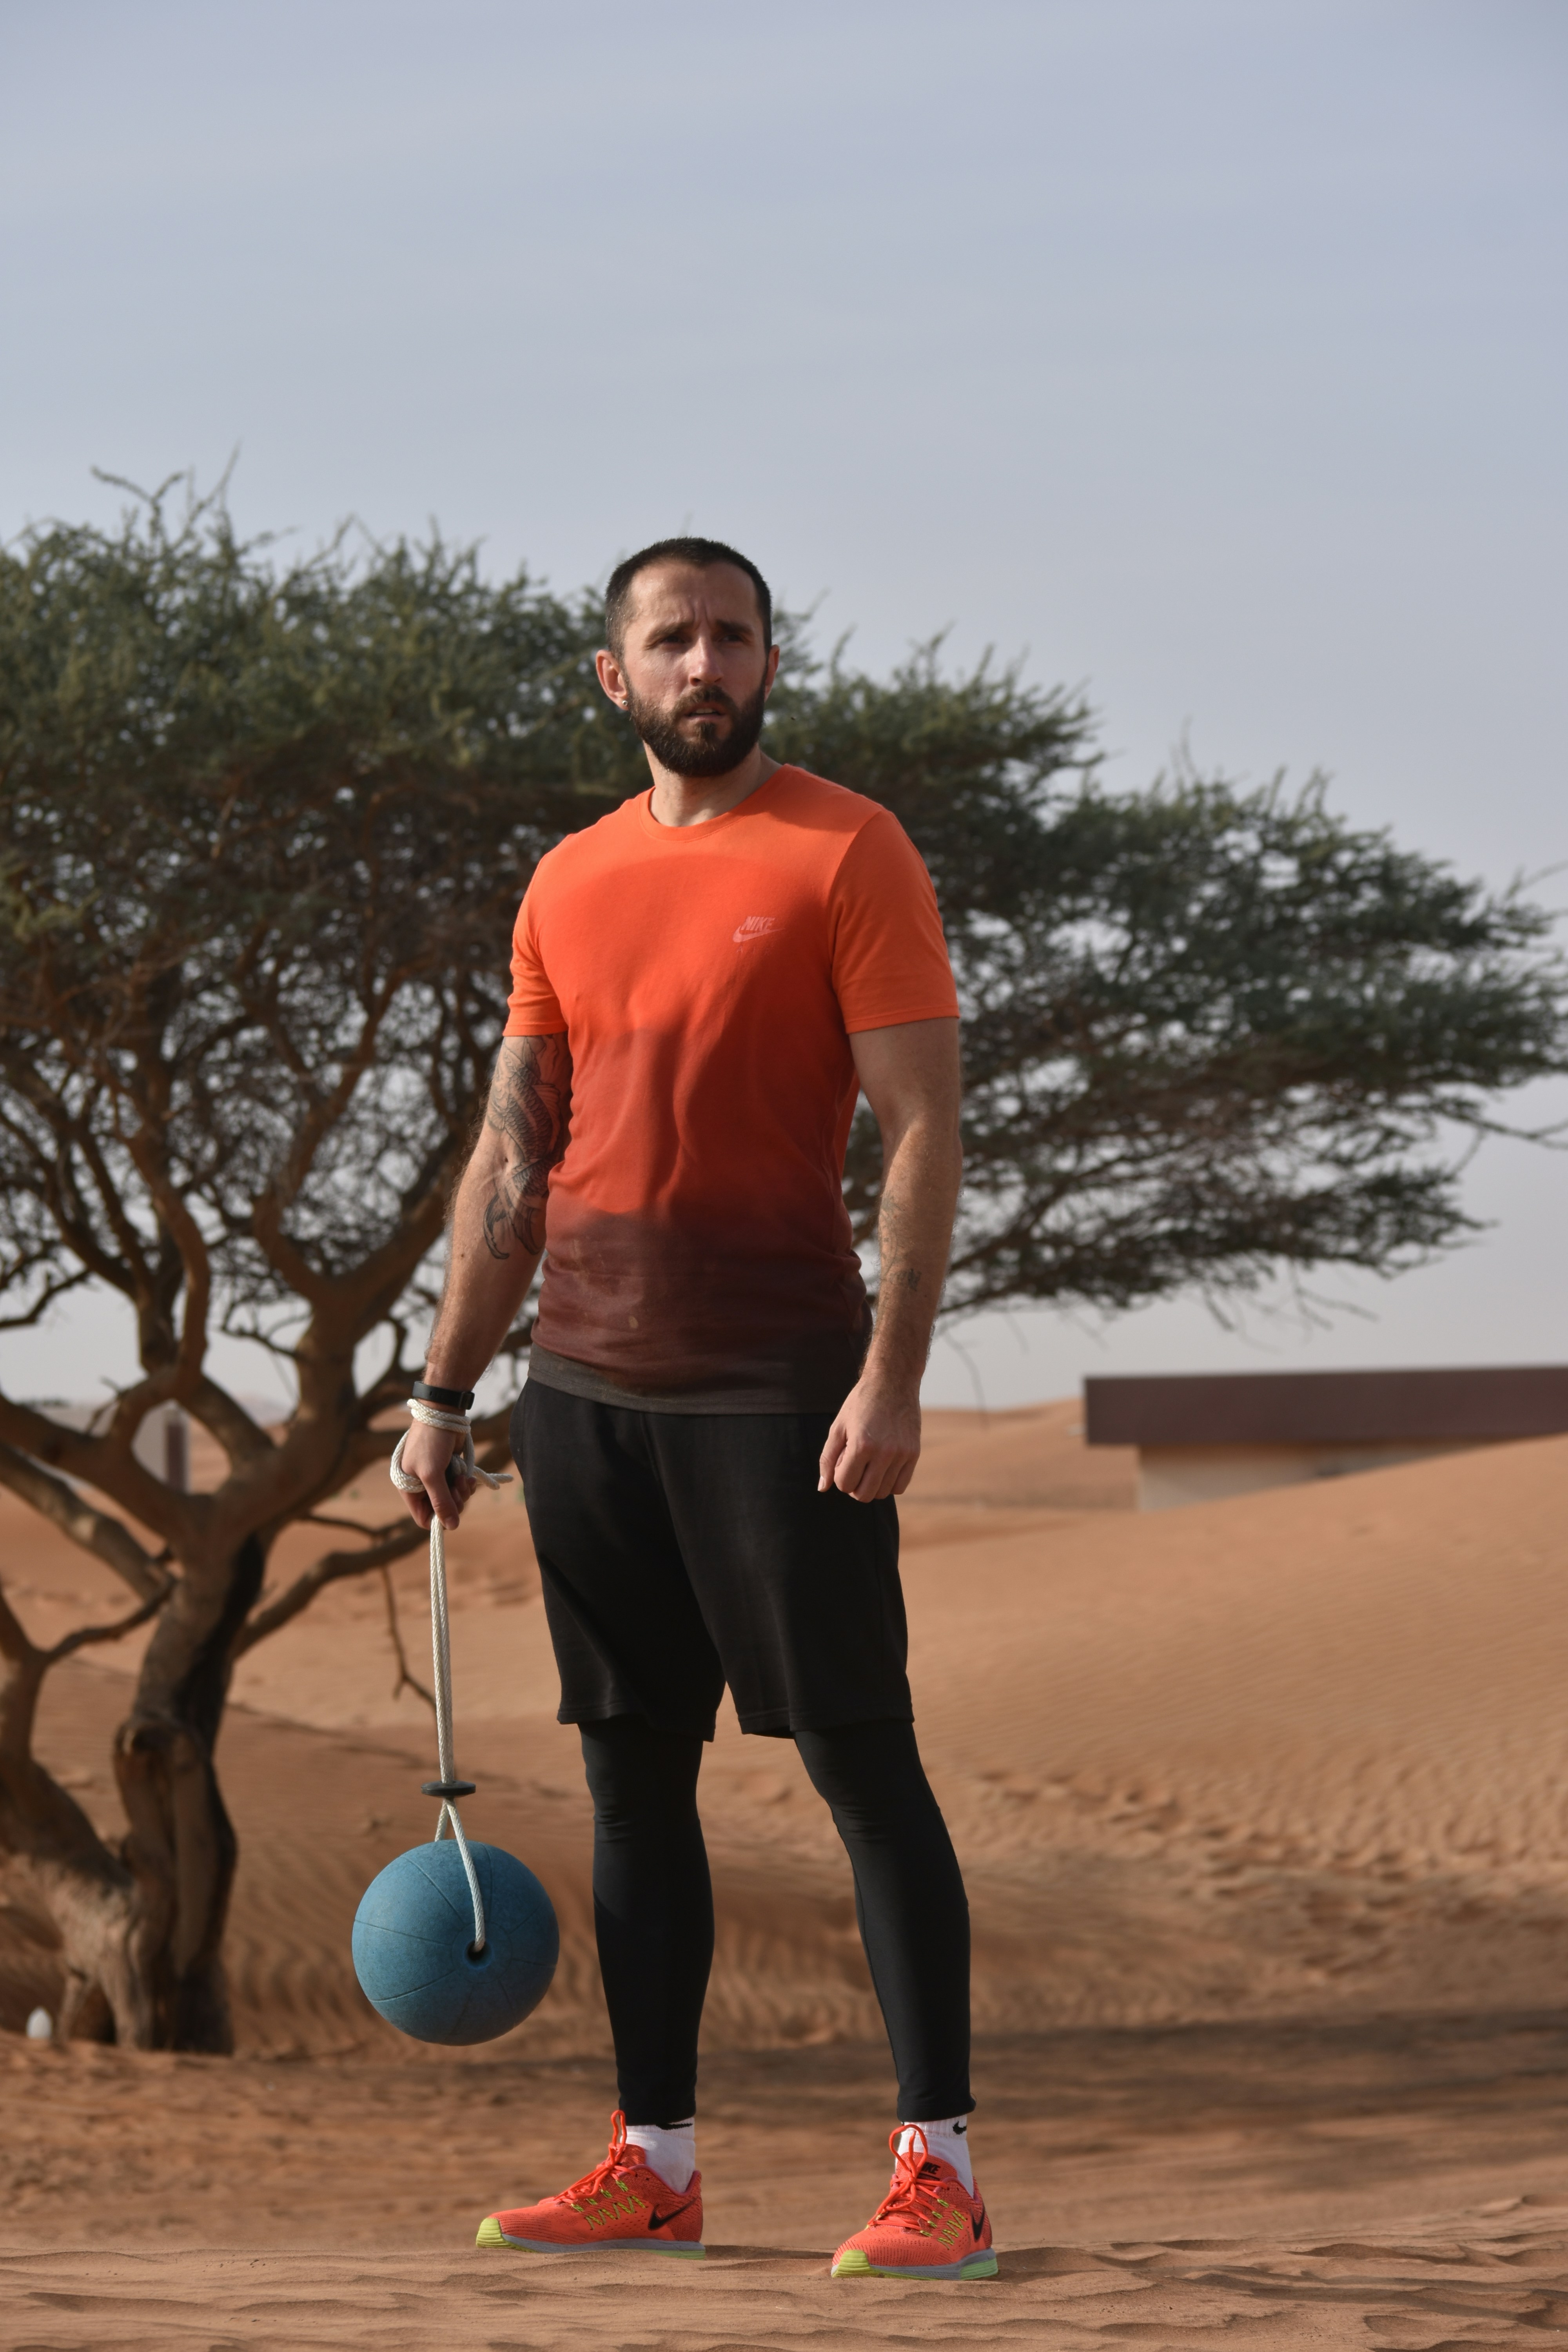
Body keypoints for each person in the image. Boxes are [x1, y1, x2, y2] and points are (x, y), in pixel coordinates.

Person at [396, 535, 993, 2283]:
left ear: (768, 662)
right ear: (619, 676)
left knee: (861, 1767)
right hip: (584, 1396)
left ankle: (941, 2171)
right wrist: (444, 1392)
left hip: (780, 1388)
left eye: (733, 635)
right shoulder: (567, 879)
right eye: (673, 639)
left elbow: (924, 1129)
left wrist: (892, 1372)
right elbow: (514, 1156)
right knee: (630, 1781)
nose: (705, 663)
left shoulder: (847, 849)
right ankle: (651, 2164)